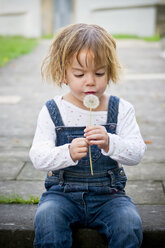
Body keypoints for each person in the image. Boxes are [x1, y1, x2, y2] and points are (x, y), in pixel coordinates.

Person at [29, 23, 146, 248]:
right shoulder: (54, 110)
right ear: (63, 73)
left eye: (99, 73)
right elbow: (38, 156)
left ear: (109, 72)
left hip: (109, 195)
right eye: (80, 74)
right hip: (62, 194)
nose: (90, 81)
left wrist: (111, 142)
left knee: (128, 224)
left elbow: (137, 153)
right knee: (48, 219)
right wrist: (68, 152)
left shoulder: (120, 109)